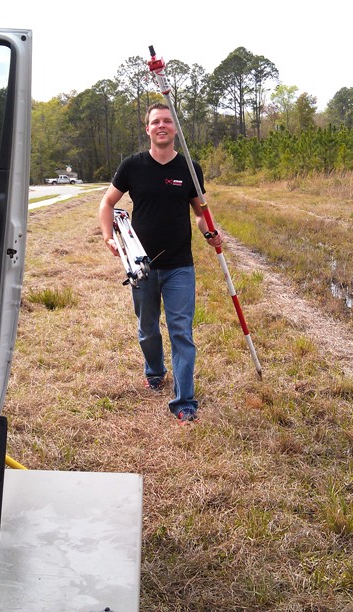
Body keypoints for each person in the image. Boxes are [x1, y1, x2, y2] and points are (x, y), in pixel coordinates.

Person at [98, 102, 223, 423]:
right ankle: (154, 369)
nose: (162, 126)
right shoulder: (133, 166)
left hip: (180, 264)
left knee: (181, 331)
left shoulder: (190, 169)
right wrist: (108, 237)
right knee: (147, 329)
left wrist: (211, 233)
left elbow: (199, 214)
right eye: (156, 122)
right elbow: (108, 203)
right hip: (141, 266)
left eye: (168, 121)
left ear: (175, 129)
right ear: (148, 129)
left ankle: (185, 401)